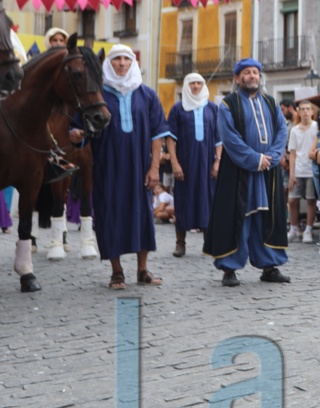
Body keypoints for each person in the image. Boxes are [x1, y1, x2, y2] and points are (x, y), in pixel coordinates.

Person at [87, 44, 170, 290]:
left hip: (139, 167)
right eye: (116, 59)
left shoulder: (147, 94)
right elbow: (79, 126)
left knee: (142, 214)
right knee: (110, 214)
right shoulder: (98, 93)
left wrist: (154, 168)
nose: (122, 63)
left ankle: (142, 269)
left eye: (126, 59)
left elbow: (158, 135)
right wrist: (75, 134)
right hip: (107, 166)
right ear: (108, 64)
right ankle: (117, 271)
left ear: (132, 63)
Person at [204, 59, 291, 287]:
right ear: (237, 78)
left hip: (267, 172)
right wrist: (254, 159)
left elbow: (282, 130)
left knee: (267, 218)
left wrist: (270, 157)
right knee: (238, 218)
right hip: (238, 171)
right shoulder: (227, 104)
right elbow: (229, 137)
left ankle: (270, 267)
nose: (252, 76)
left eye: (255, 72)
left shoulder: (272, 103)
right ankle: (229, 269)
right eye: (246, 73)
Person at [166, 72, 221, 257]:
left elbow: (219, 138)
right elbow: (170, 139)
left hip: (208, 164)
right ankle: (180, 243)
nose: (195, 86)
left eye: (198, 83)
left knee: (209, 200)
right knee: (183, 200)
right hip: (185, 164)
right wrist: (174, 163)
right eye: (192, 83)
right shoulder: (177, 109)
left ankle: (209, 242)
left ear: (203, 85)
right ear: (186, 86)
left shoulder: (213, 108)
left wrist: (217, 161)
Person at [286, 101, 319, 243]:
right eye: (302, 109)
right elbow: (292, 153)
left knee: (311, 200)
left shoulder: (317, 127)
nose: (305, 111)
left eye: (308, 109)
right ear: (298, 112)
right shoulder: (294, 130)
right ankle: (294, 229)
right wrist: (291, 174)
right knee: (293, 200)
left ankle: (308, 230)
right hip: (298, 169)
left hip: (312, 169)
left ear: (312, 112)